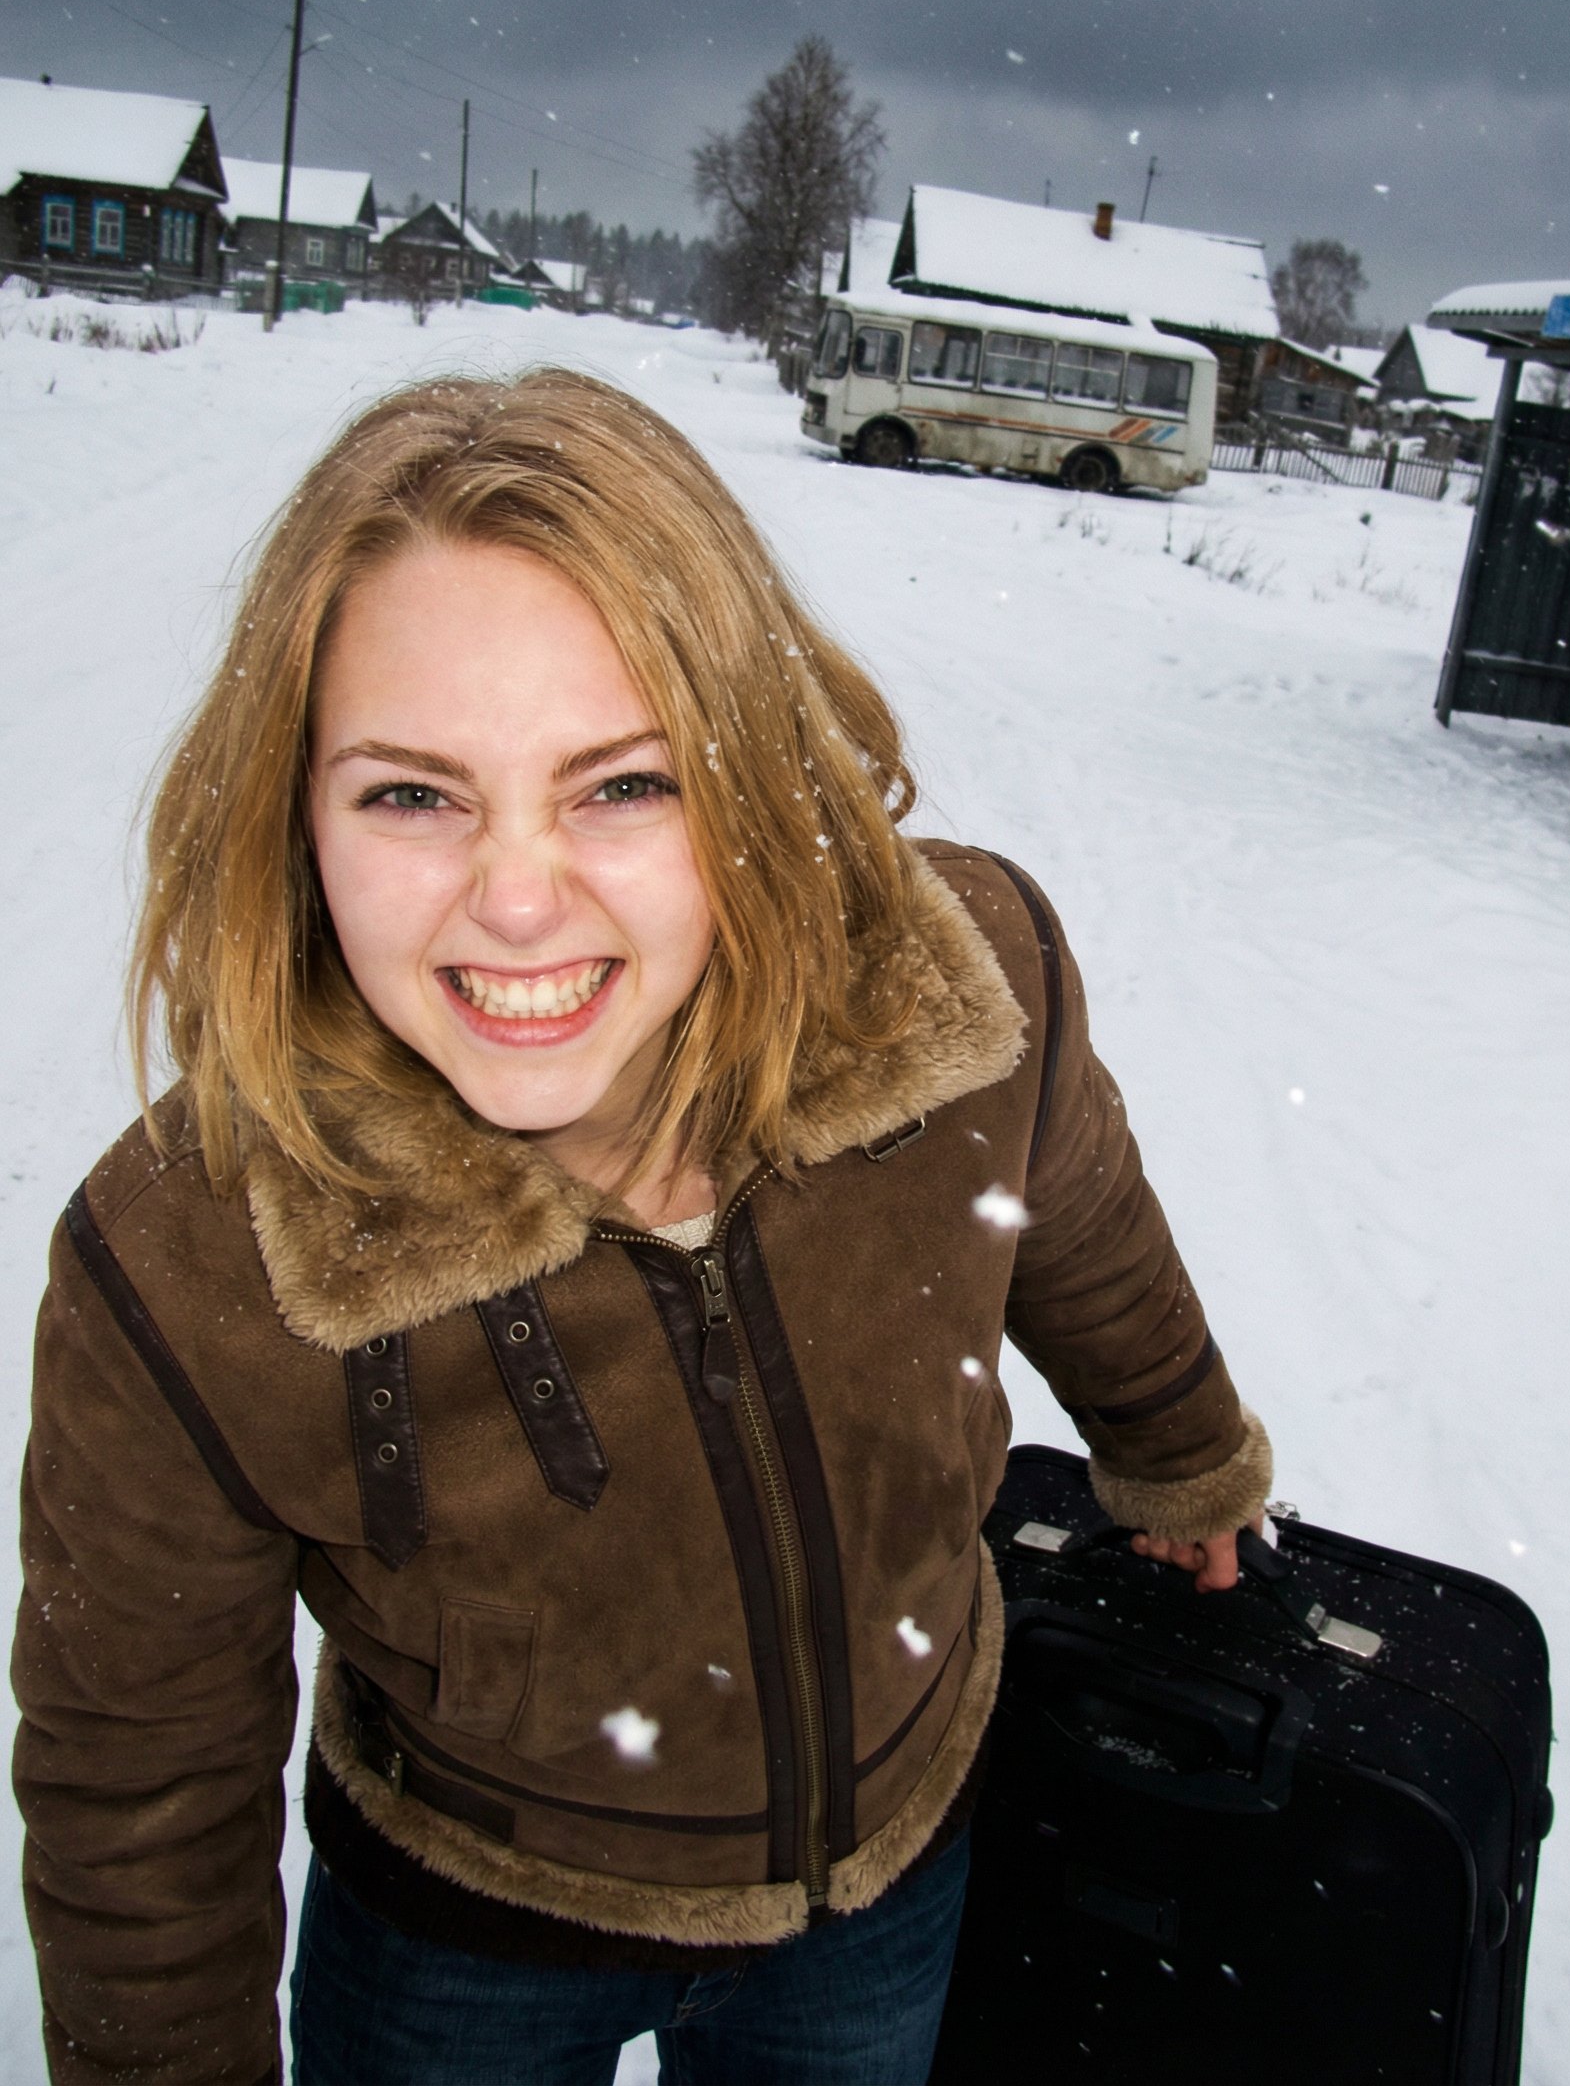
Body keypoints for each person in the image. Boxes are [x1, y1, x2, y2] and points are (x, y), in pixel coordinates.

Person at [13, 369, 1271, 2086]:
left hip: (887, 1881)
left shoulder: (961, 994)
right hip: (462, 1931)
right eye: (411, 794)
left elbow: (1082, 1219)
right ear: (293, 814)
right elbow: (139, 1782)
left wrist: (1182, 1452)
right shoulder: (192, 1256)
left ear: (751, 768)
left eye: (622, 785)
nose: (520, 899)